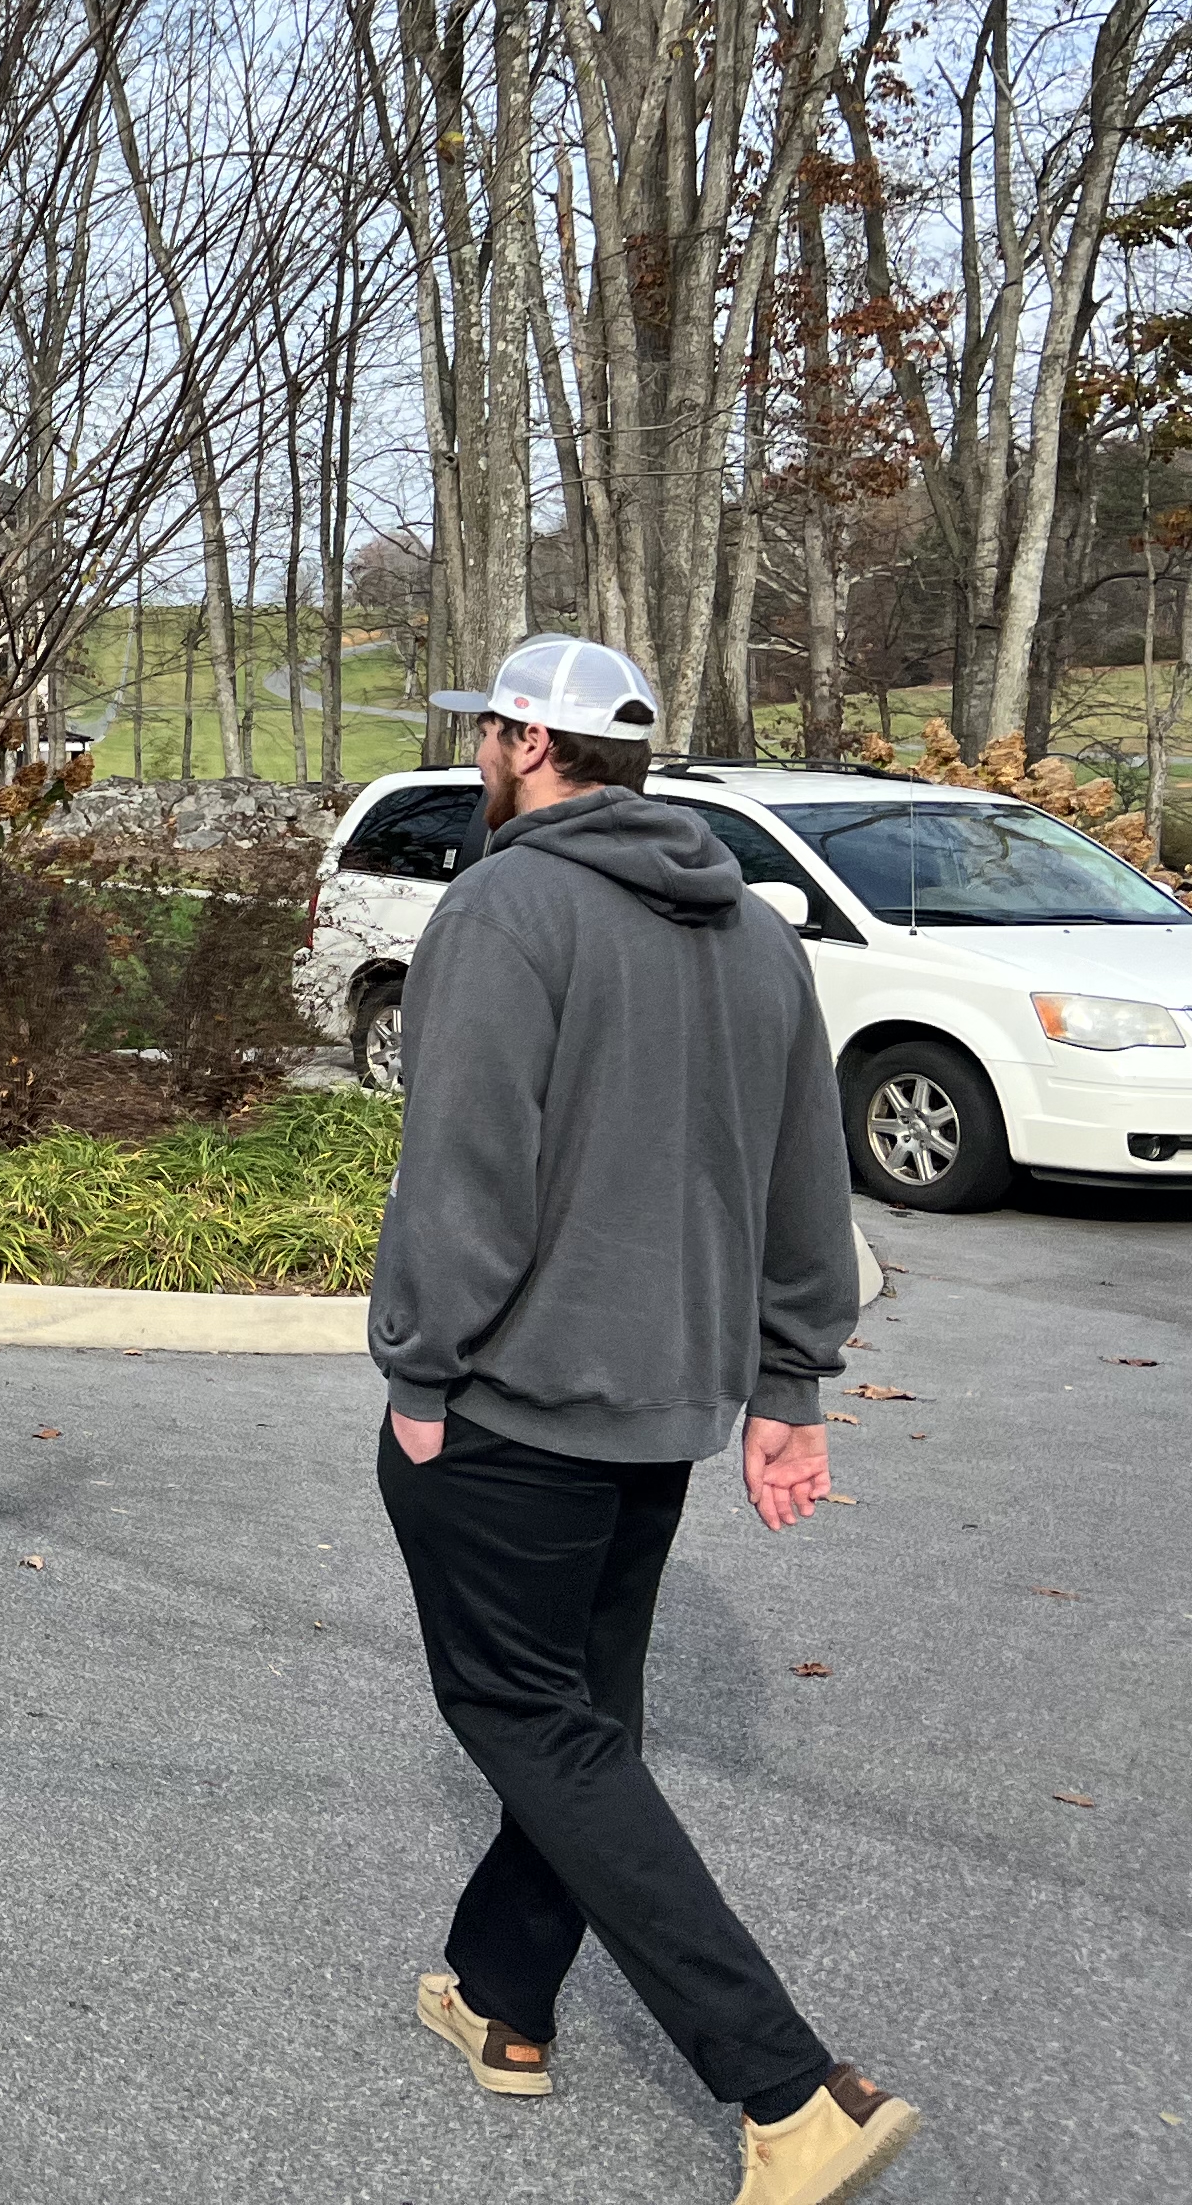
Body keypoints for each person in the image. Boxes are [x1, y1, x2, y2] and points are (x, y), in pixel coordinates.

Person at [375, 636, 912, 2205]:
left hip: (510, 1408)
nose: (480, 748)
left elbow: (466, 1171)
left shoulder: (502, 906)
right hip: (654, 1419)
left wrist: (418, 1371)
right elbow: (812, 1181)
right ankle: (502, 2001)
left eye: (487, 727)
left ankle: (791, 2090)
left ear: (527, 743)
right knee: (580, 1731)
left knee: (525, 1718)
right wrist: (787, 1385)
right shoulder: (752, 930)